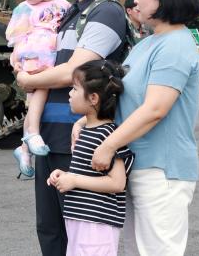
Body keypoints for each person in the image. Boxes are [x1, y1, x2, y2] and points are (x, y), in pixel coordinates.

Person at [15, 0, 128, 256]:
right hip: (52, 136)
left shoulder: (105, 12)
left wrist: (27, 79)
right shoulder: (73, 11)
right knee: (50, 230)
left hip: (76, 137)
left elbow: (72, 71)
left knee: (75, 233)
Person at [89, 0, 199, 256]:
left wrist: (108, 146)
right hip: (137, 165)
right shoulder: (146, 44)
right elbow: (125, 99)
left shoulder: (175, 44)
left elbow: (155, 109)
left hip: (161, 170)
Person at [48, 60, 134, 256]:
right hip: (81, 220)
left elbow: (117, 182)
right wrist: (66, 175)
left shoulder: (109, 136)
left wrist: (75, 180)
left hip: (96, 224)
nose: (69, 94)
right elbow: (88, 173)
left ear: (93, 98)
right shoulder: (87, 130)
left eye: (74, 89)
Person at [6, 0, 71, 178]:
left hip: (51, 55)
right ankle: (32, 134)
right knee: (39, 91)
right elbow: (17, 37)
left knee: (36, 99)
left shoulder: (62, 5)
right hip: (34, 55)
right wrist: (15, 58)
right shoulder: (22, 9)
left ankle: (25, 149)